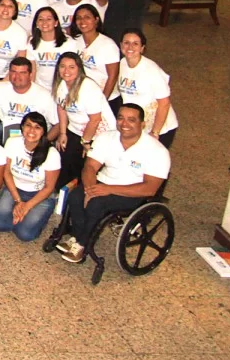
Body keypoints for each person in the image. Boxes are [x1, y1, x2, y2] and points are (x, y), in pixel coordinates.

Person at [58, 104, 170, 264]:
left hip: (133, 192)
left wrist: (107, 189)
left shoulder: (157, 151)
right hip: (103, 182)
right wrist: (89, 190)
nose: (124, 123)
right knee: (76, 196)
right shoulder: (106, 138)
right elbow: (90, 167)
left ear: (142, 124)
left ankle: (82, 244)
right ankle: (77, 236)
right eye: (121, 118)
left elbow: (150, 188)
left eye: (131, 120)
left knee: (96, 205)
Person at [0, 112, 61, 242]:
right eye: (28, 125)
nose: (32, 130)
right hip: (14, 188)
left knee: (24, 234)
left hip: (40, 194)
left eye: (37, 127)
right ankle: (21, 215)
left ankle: (42, 214)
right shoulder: (12, 142)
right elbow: (7, 173)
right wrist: (18, 201)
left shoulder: (52, 154)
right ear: (22, 127)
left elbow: (49, 187)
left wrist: (27, 206)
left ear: (43, 132)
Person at [52, 52, 116, 188]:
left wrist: (85, 142)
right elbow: (61, 108)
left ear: (79, 69)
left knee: (86, 168)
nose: (66, 71)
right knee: (64, 159)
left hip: (97, 133)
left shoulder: (88, 88)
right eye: (62, 66)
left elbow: (95, 119)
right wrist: (62, 133)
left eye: (71, 67)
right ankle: (60, 193)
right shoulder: (61, 84)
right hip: (76, 129)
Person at [0, 56, 59, 143]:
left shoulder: (45, 96)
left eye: (22, 73)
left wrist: (43, 143)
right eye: (13, 72)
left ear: (30, 75)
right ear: (9, 73)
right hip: (7, 131)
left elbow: (58, 124)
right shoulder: (0, 88)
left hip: (34, 135)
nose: (17, 76)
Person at [116, 30, 178, 148]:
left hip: (159, 128)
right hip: (137, 124)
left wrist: (155, 132)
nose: (130, 47)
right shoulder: (122, 63)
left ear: (142, 48)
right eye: (126, 42)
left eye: (135, 43)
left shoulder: (151, 70)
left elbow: (164, 103)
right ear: (121, 45)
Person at [70, 4, 120, 97]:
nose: (82, 21)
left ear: (96, 20)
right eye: (79, 18)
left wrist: (103, 100)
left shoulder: (108, 45)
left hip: (105, 97)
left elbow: (113, 77)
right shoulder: (75, 41)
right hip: (82, 95)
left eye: (87, 17)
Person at [29, 6, 81, 91]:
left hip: (63, 88)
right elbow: (33, 70)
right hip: (41, 88)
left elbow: (76, 70)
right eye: (41, 19)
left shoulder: (69, 43)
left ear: (56, 23)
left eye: (49, 19)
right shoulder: (31, 43)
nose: (45, 22)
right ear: (36, 24)